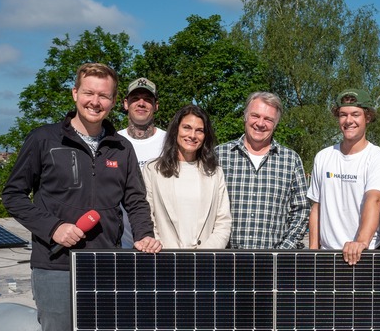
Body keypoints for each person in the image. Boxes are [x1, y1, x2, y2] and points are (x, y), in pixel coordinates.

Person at [1, 62, 162, 331]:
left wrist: (144, 235)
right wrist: (52, 227)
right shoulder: (44, 140)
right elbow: (14, 195)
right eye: (89, 93)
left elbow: (136, 200)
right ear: (75, 94)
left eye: (104, 96)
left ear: (115, 102)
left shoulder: (120, 148)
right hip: (54, 265)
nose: (96, 101)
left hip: (103, 267)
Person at [216, 91, 310, 249]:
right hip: (227, 261)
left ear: (276, 123)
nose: (260, 123)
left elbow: (301, 210)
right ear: (245, 117)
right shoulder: (219, 155)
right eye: (255, 115)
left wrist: (282, 252)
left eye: (268, 119)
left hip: (275, 264)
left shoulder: (290, 160)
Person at [307, 88, 380, 264]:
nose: (348, 120)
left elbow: (374, 200)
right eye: (343, 115)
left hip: (364, 253)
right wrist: (313, 252)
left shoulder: (378, 158)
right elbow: (317, 207)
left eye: (355, 114)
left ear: (367, 117)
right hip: (327, 255)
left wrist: (360, 242)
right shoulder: (323, 156)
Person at [142, 104, 231, 248]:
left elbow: (223, 222)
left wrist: (203, 257)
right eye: (187, 127)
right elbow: (147, 218)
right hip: (164, 261)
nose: (192, 135)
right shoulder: (152, 170)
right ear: (176, 130)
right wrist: (163, 254)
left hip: (204, 263)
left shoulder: (215, 173)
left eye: (199, 131)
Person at [118, 77, 165, 248]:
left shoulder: (171, 143)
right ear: (125, 104)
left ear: (156, 105)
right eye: (135, 99)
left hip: (163, 244)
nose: (141, 103)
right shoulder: (113, 142)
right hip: (122, 243)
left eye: (147, 99)